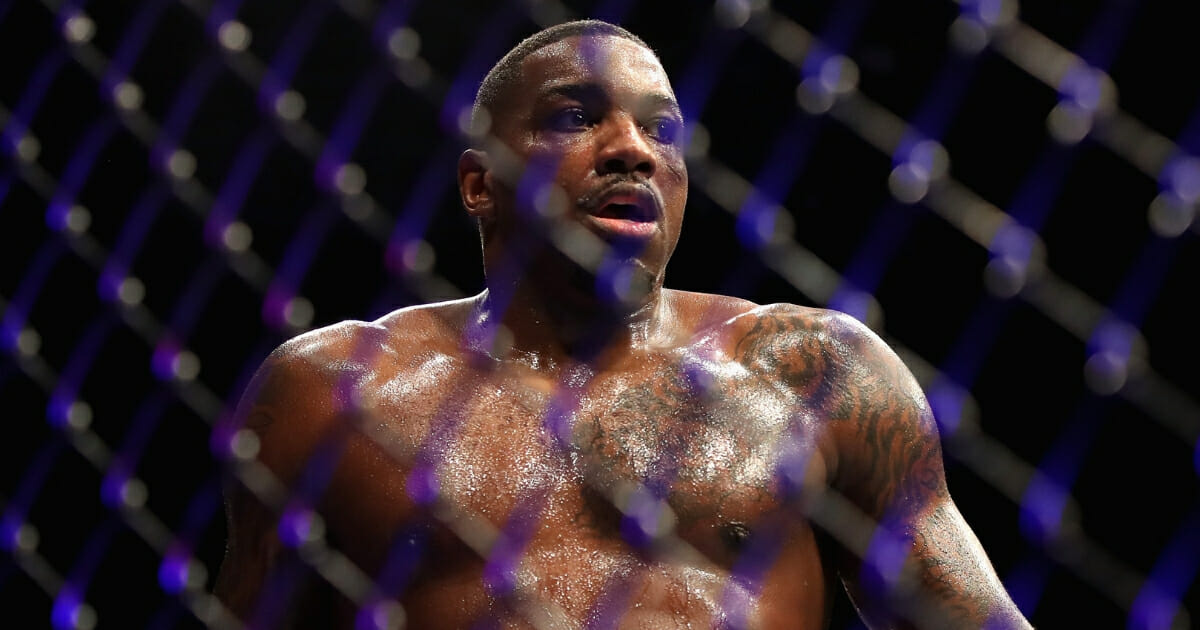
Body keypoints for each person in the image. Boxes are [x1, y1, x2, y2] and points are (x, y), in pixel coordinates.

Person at [213, 18, 1034, 630]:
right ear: (479, 183)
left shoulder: (811, 372)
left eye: (662, 128)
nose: (632, 149)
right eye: (576, 116)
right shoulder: (338, 390)